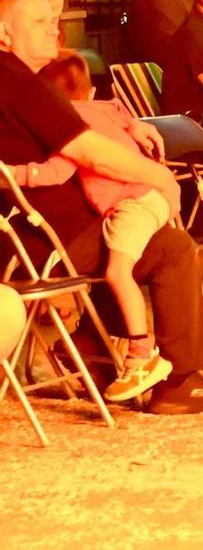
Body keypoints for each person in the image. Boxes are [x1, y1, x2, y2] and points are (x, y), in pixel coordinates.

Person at [0, 0, 203, 414]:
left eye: (54, 21)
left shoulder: (21, 78)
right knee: (168, 248)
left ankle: (90, 350)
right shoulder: (14, 78)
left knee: (123, 241)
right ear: (3, 33)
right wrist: (158, 176)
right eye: (39, 22)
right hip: (42, 241)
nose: (52, 31)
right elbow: (89, 150)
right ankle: (179, 381)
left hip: (42, 234)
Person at [20, 54, 181, 400]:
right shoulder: (110, 111)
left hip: (132, 204)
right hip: (147, 198)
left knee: (118, 273)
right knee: (129, 265)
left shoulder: (73, 128)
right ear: (91, 91)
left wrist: (14, 174)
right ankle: (101, 347)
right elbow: (122, 110)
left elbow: (54, 172)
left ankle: (142, 355)